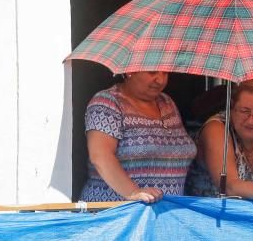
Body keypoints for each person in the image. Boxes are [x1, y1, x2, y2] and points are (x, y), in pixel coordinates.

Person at [80, 71, 197, 202]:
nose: (160, 80)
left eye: (165, 73)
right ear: (130, 71)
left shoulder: (167, 102)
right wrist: (133, 192)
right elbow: (100, 156)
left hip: (165, 214)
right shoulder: (106, 102)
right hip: (120, 215)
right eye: (152, 72)